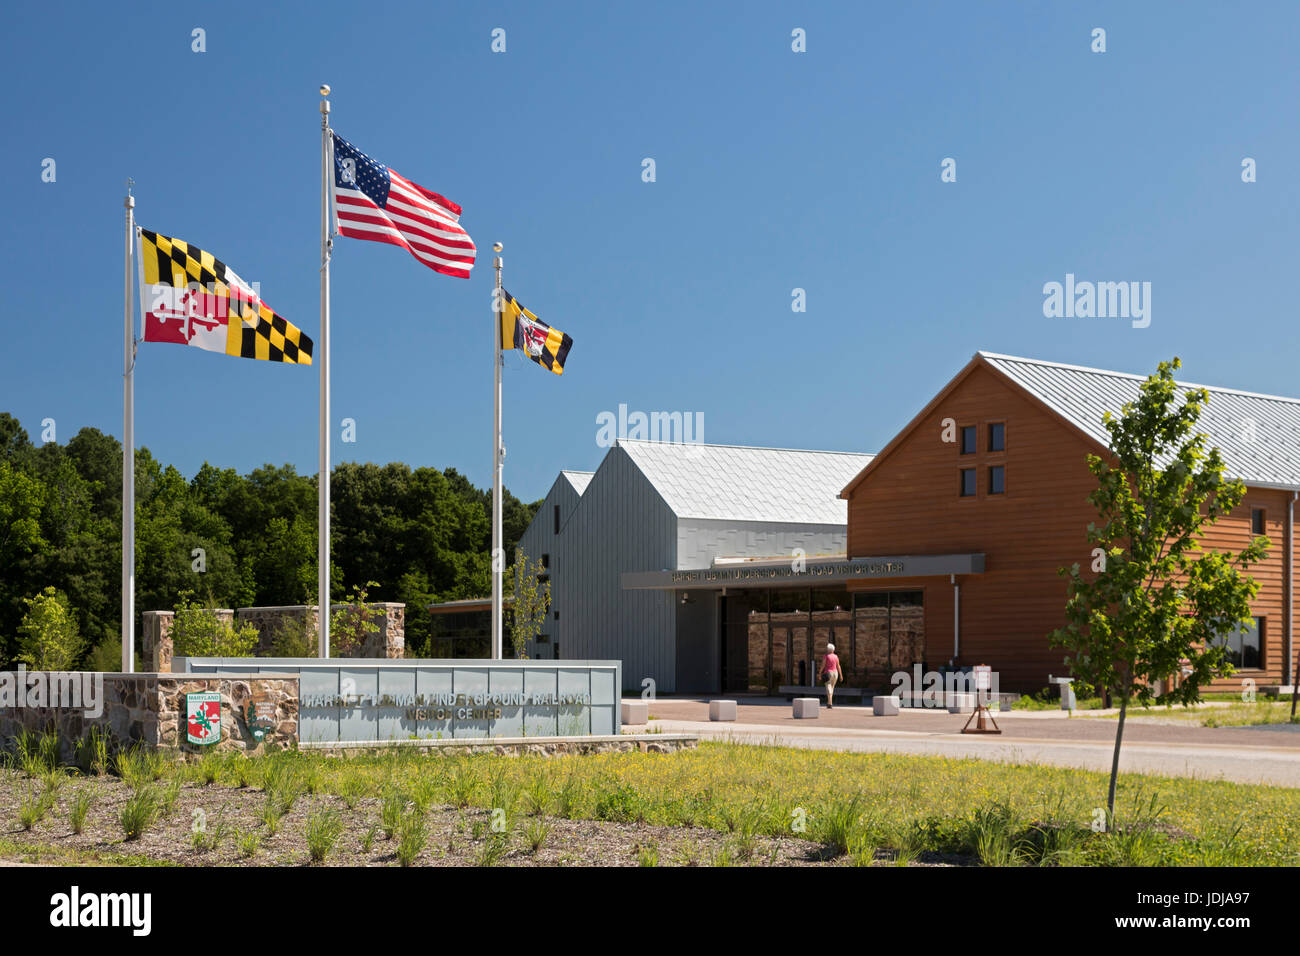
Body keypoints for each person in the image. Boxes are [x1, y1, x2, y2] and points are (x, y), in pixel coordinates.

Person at [820, 642, 842, 709]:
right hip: (835, 673)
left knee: (828, 687)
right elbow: (838, 666)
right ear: (833, 650)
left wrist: (820, 672)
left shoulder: (826, 656)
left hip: (828, 673)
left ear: (828, 649)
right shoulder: (836, 656)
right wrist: (841, 675)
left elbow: (823, 665)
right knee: (832, 687)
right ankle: (830, 703)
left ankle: (830, 703)